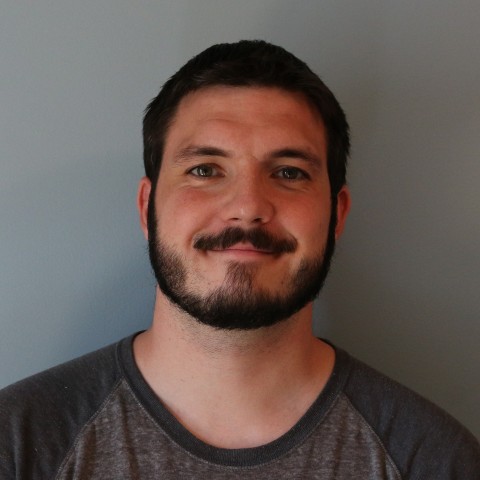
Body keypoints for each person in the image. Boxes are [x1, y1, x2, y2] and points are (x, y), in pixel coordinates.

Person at [0, 40, 478, 479]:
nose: (248, 206)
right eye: (205, 170)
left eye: (288, 173)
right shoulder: (19, 444)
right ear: (147, 208)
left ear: (337, 214)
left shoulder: (432, 460)